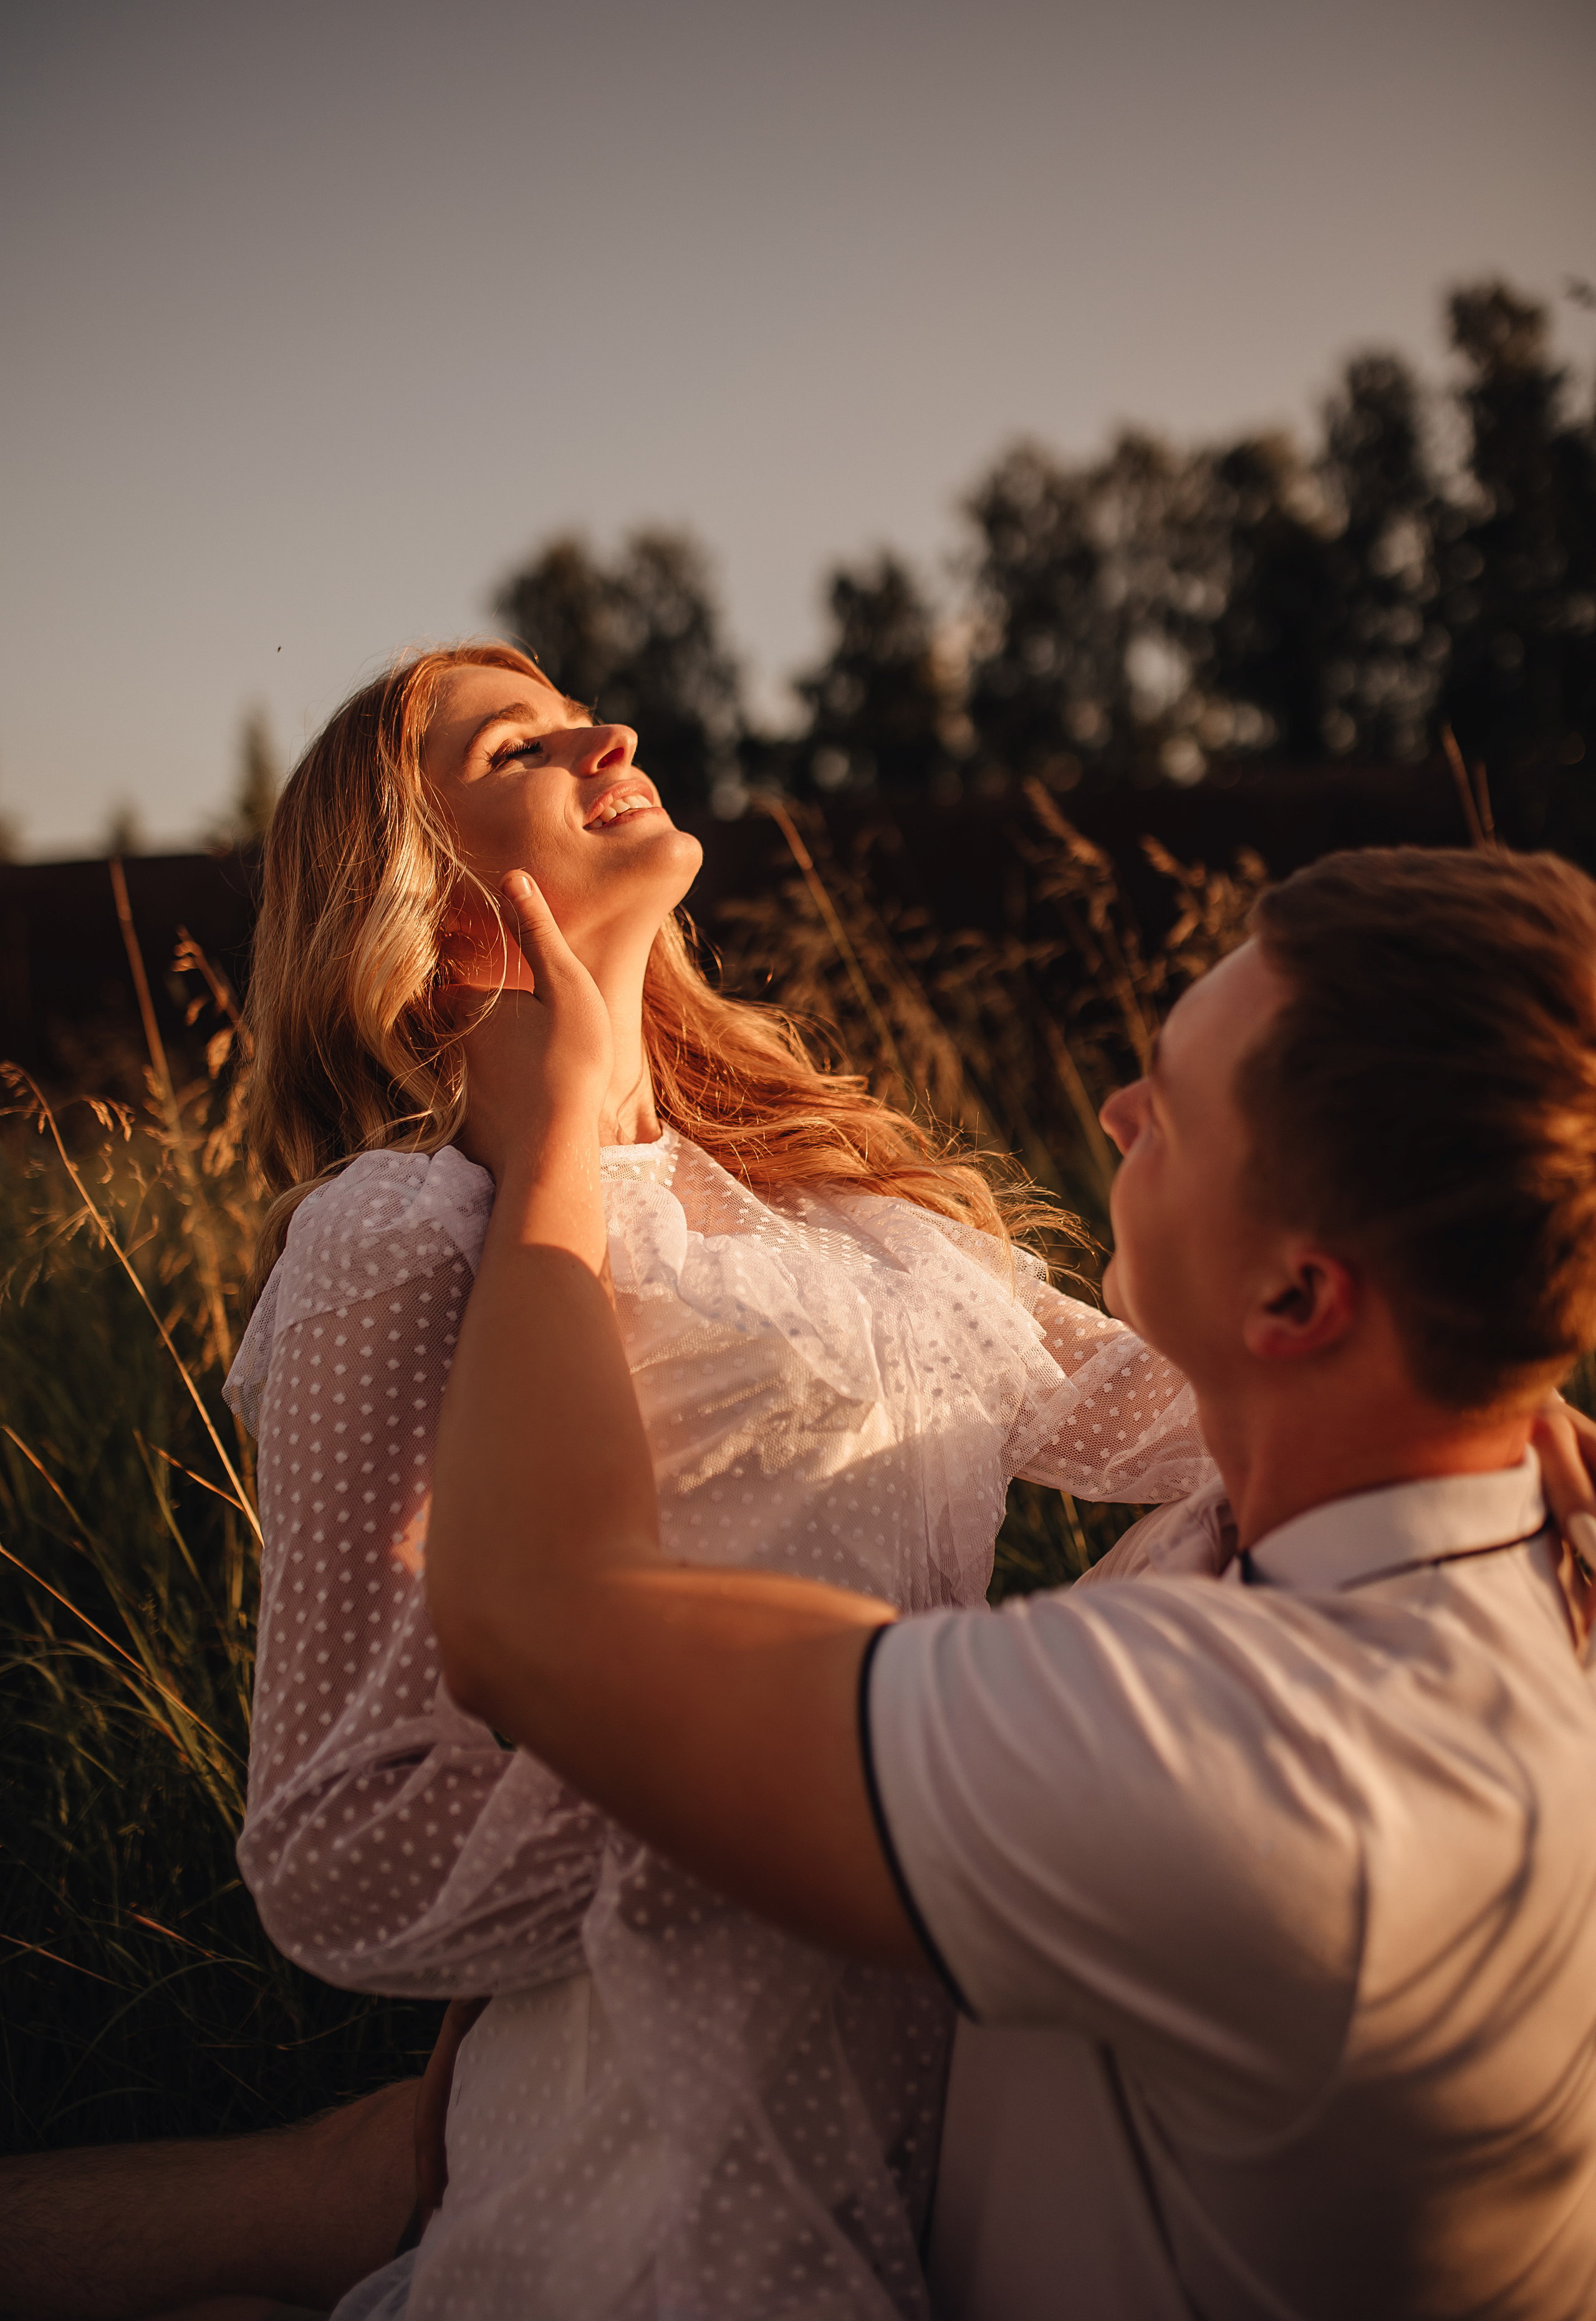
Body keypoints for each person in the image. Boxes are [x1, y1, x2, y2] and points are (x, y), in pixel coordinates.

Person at [421, 842, 1596, 2320]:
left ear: (1296, 1298)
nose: (1112, 1113)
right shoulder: (1485, 1526)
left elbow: (529, 1622)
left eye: (1165, 1115)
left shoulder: (1258, 1760)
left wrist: (552, 1148)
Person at [223, 640, 1213, 2321]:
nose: (610, 730)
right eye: (521, 745)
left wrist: (1470, 1401)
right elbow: (332, 1847)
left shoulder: (838, 1200)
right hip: (674, 2131)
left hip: (972, 2070)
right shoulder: (403, 1234)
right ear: (445, 906)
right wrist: (769, 1800)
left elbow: (1189, 1428)